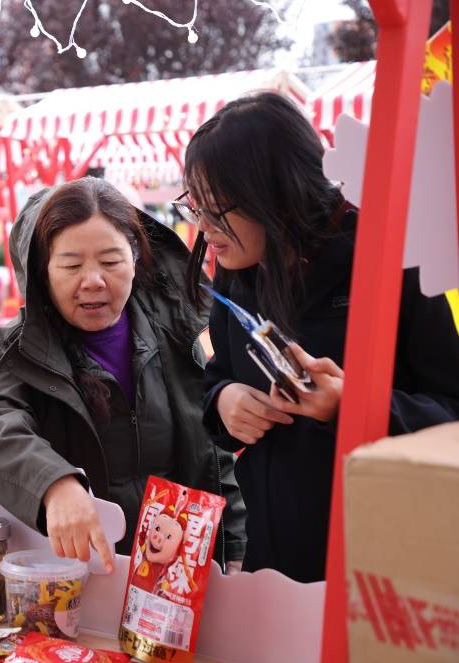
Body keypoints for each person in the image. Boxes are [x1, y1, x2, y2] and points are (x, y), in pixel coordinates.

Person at [181, 92, 459, 583]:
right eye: (194, 207)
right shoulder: (238, 267)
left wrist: (354, 406)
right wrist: (225, 402)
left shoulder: (392, 258)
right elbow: (217, 376)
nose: (203, 228)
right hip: (278, 556)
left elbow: (450, 415)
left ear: (273, 192)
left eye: (215, 209)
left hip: (385, 560)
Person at [0, 177, 246, 573]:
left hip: (172, 581)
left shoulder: (175, 335)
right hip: (78, 577)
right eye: (72, 265)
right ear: (42, 273)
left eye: (111, 262)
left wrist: (231, 542)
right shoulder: (13, 351)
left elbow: (212, 453)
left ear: (136, 260)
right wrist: (54, 483)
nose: (93, 280)